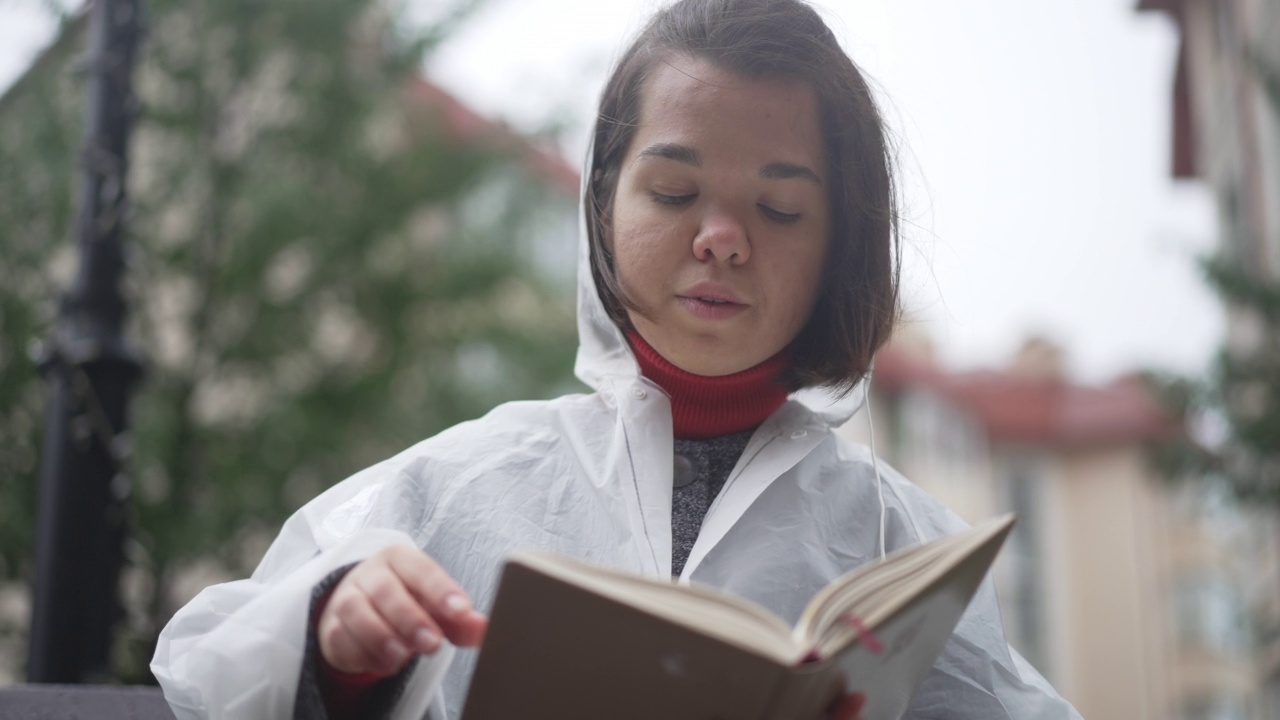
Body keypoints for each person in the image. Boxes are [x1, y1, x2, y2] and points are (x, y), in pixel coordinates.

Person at [152, 0, 1082, 718]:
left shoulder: (896, 545)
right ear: (602, 204)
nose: (721, 237)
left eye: (781, 208)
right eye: (675, 190)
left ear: (842, 242)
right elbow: (211, 662)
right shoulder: (453, 487)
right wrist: (341, 651)